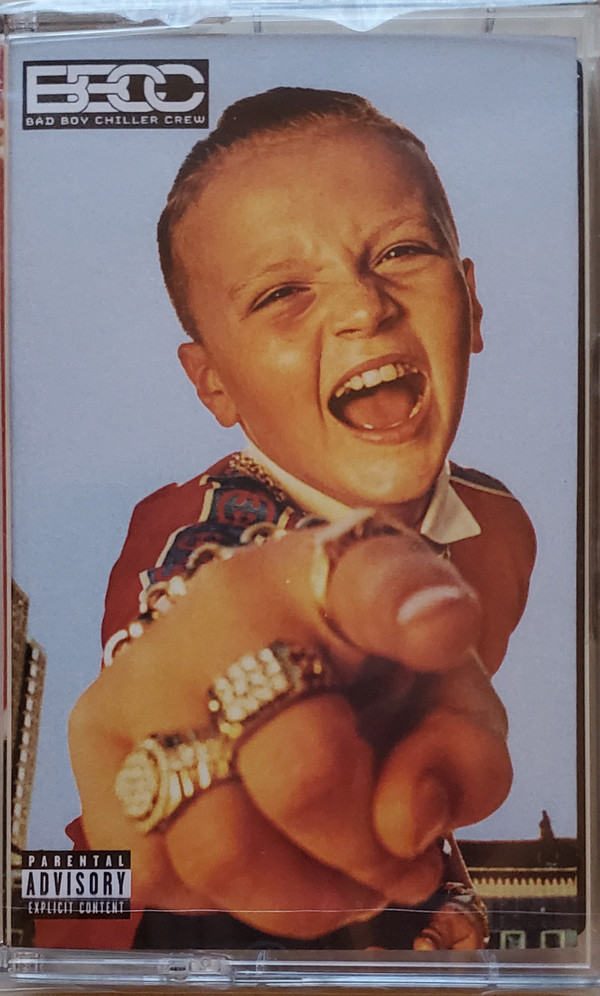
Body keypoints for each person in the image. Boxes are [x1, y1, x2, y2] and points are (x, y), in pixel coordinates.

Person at [38, 88, 535, 952]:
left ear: (472, 302)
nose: (364, 308)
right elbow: (187, 630)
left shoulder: (499, 531)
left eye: (402, 251)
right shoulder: (189, 526)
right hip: (126, 927)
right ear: (213, 384)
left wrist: (443, 891)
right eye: (282, 294)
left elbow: (400, 755)